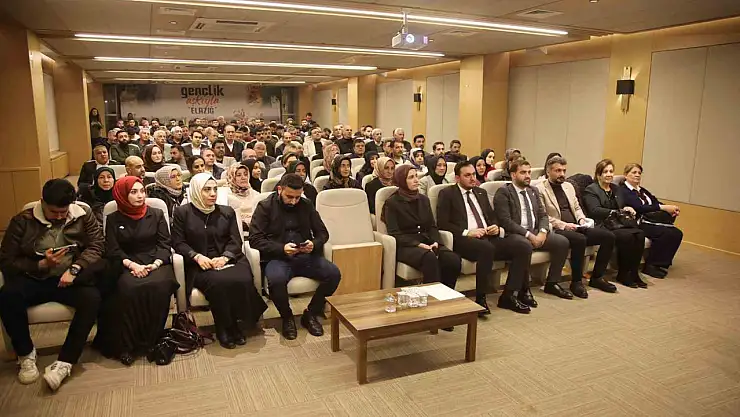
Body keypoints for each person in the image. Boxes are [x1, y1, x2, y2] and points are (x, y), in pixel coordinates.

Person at [0, 179, 104, 391]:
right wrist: (39, 264)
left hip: (68, 278)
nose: (59, 217)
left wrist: (75, 269)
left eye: (63, 212)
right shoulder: (22, 220)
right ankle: (26, 354)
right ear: (42, 203)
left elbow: (97, 245)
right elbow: (6, 259)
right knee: (7, 295)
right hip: (34, 278)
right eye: (54, 212)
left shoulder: (82, 214)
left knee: (92, 299)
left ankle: (66, 361)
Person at [171, 173, 267, 349]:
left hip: (229, 257)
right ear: (196, 191)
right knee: (218, 282)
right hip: (199, 263)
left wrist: (225, 257)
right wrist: (196, 256)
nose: (213, 193)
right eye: (207, 190)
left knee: (242, 278)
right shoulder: (182, 213)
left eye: (215, 189)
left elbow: (235, 240)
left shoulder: (226, 212)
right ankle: (224, 326)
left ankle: (237, 323)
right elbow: (178, 242)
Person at [94, 177, 178, 365]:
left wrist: (155, 264)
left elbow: (165, 244)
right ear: (122, 195)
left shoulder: (156, 214)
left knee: (160, 286)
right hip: (127, 263)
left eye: (142, 191)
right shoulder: (114, 219)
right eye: (133, 192)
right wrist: (133, 265)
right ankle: (128, 344)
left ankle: (152, 340)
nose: (140, 196)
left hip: (156, 262)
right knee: (128, 288)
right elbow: (113, 249)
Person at [248, 173, 340, 339]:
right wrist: (281, 248)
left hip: (305, 256)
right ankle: (287, 317)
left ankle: (311, 313)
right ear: (279, 190)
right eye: (289, 197)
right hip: (278, 257)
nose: (293, 201)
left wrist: (314, 244)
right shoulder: (265, 207)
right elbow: (255, 239)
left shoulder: (306, 204)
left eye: (297, 197)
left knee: (334, 274)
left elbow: (322, 233)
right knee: (276, 280)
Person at [437, 161, 535, 314]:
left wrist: (496, 226)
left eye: (473, 174)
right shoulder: (447, 194)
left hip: (487, 236)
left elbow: (492, 216)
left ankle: (509, 295)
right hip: (464, 239)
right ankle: (481, 298)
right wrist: (467, 232)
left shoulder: (481, 192)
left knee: (523, 246)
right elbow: (442, 223)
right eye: (467, 175)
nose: (472, 178)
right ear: (457, 178)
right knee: (486, 248)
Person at [382, 165, 462, 312]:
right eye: (411, 177)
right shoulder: (392, 203)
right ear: (401, 180)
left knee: (453, 259)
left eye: (416, 176)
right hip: (406, 246)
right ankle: (432, 305)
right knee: (429, 258)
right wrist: (418, 245)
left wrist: (435, 241)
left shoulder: (424, 199)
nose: (416, 180)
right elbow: (395, 234)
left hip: (427, 241)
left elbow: (432, 225)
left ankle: (445, 298)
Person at [536, 156, 617, 297]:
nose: (562, 174)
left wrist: (581, 219)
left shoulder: (569, 186)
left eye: (564, 170)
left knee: (608, 236)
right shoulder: (540, 189)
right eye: (558, 171)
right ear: (548, 172)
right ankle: (576, 281)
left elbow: (577, 207)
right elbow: (543, 215)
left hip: (576, 226)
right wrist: (564, 225)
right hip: (558, 228)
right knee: (579, 239)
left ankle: (597, 277)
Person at [494, 159, 571, 300]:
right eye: (523, 172)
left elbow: (543, 215)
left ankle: (552, 283)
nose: (528, 176)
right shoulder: (504, 192)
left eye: (529, 172)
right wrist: (529, 235)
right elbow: (506, 221)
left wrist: (542, 232)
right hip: (515, 233)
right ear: (513, 175)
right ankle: (521, 290)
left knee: (562, 242)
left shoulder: (533, 190)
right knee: (524, 246)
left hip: (535, 231)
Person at [583, 159, 647, 288]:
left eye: (611, 171)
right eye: (605, 171)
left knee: (639, 234)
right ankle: (623, 273)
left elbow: (621, 207)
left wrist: (626, 208)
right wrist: (615, 212)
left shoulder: (616, 189)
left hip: (617, 223)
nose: (609, 174)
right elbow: (594, 210)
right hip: (602, 224)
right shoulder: (591, 190)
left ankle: (634, 272)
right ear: (598, 174)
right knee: (627, 236)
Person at [620, 163, 683, 278]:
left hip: (652, 220)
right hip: (640, 221)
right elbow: (639, 207)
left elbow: (655, 202)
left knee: (677, 233)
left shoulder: (642, 190)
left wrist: (670, 209)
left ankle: (661, 264)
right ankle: (651, 265)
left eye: (639, 173)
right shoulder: (623, 191)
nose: (637, 175)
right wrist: (662, 208)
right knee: (665, 233)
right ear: (625, 175)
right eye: (634, 172)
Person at [225, 163, 261, 232]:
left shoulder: (255, 194)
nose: (243, 177)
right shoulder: (227, 195)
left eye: (245, 174)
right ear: (231, 177)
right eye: (239, 175)